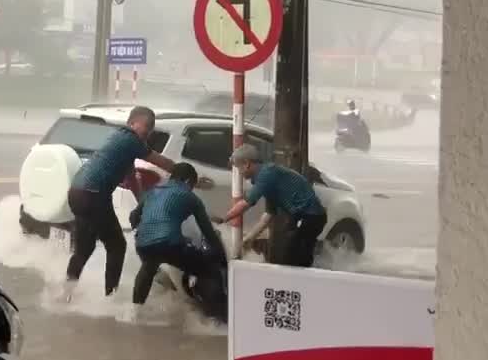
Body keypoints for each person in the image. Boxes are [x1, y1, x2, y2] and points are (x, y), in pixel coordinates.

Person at [64, 105, 175, 298]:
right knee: (117, 246)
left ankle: (66, 293)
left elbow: (132, 178)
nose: (148, 134)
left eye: (151, 129)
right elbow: (160, 162)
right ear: (133, 123)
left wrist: (143, 204)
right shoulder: (131, 139)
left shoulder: (121, 142)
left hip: (77, 192)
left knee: (85, 248)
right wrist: (186, 173)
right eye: (146, 127)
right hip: (94, 194)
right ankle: (110, 297)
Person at [130, 162, 226, 321]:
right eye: (193, 185)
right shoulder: (189, 196)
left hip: (143, 243)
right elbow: (208, 232)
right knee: (207, 269)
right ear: (188, 181)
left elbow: (133, 216)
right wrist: (220, 258)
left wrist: (141, 231)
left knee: (148, 268)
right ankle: (216, 319)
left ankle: (135, 313)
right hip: (169, 243)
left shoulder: (152, 191)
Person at [216, 144, 327, 267]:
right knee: (290, 254)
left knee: (295, 256)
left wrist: (223, 219)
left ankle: (304, 281)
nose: (240, 173)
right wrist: (250, 238)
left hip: (312, 216)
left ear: (247, 163)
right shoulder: (267, 179)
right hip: (304, 217)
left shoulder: (266, 174)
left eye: (239, 168)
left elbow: (246, 204)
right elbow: (269, 214)